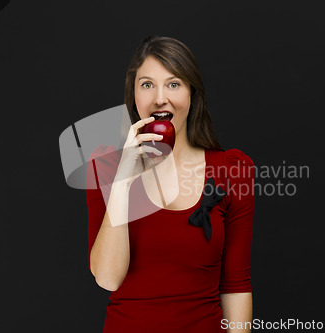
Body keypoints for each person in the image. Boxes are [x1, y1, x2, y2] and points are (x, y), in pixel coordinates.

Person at [86, 36, 255, 333]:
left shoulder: (232, 170)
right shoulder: (106, 168)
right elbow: (108, 278)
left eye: (173, 84)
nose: (159, 98)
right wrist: (123, 181)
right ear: (134, 94)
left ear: (192, 94)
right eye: (147, 84)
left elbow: (235, 285)